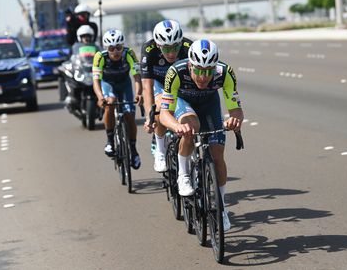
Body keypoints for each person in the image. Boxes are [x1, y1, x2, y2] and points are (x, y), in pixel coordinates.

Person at [159, 39, 244, 231]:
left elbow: (236, 109)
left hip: (209, 105)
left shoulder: (225, 73)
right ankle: (183, 174)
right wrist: (176, 127)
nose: (203, 77)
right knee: (191, 126)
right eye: (198, 70)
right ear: (190, 65)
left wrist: (235, 120)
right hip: (183, 102)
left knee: (217, 154)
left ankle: (221, 208)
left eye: (208, 71)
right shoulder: (176, 72)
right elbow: (164, 114)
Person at [141, 19, 192, 173]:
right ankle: (160, 151)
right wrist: (150, 117)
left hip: (179, 83)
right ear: (158, 44)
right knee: (161, 106)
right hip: (158, 83)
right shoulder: (148, 49)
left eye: (175, 47)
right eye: (166, 48)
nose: (171, 53)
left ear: (181, 42)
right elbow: (147, 87)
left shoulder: (188, 47)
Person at [92, 29, 143, 169]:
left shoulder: (129, 53)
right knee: (111, 101)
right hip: (107, 84)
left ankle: (133, 150)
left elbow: (137, 77)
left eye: (118, 48)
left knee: (129, 114)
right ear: (106, 49)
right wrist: (100, 97)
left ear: (123, 46)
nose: (115, 52)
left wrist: (139, 93)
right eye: (111, 48)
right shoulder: (99, 57)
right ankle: (110, 141)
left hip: (124, 84)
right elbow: (96, 81)